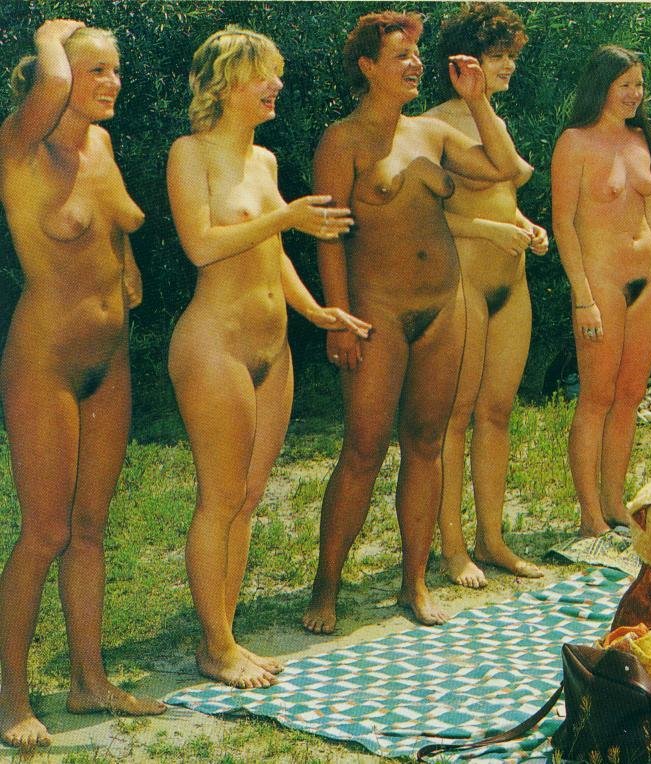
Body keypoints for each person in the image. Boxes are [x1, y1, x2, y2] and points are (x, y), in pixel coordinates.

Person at [302, 11, 520, 632]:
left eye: (417, 56)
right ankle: (326, 586)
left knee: (426, 444)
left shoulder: (432, 132)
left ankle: (414, 582)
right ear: (368, 67)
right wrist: (338, 319)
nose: (415, 65)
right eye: (401, 56)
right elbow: (328, 236)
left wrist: (477, 102)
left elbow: (503, 167)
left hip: (444, 305)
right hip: (378, 311)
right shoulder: (342, 140)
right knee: (364, 448)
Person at [167, 26, 371, 689]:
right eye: (263, 74)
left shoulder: (266, 160)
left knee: (249, 497)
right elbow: (202, 244)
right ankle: (216, 646)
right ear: (226, 83)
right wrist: (285, 218)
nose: (275, 84)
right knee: (221, 497)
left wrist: (315, 311)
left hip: (272, 348)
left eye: (276, 72)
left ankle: (224, 637)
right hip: (214, 345)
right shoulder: (189, 153)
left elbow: (272, 252)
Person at [0, 19, 165, 747]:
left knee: (91, 527)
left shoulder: (99, 145)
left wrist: (126, 260)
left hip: (111, 360)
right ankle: (9, 699)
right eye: (96, 70)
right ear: (57, 77)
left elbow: (115, 219)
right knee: (46, 532)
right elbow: (54, 79)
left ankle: (89, 681)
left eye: (116, 69)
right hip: (47, 363)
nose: (112, 82)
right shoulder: (19, 147)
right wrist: (50, 32)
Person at [424, 3, 546, 589]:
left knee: (497, 413)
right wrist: (490, 230)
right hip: (465, 283)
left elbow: (509, 187)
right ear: (463, 63)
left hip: (512, 283)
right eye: (498, 57)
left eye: (510, 57)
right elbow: (425, 221)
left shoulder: (492, 119)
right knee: (456, 416)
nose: (509, 67)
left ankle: (492, 539)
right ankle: (452, 547)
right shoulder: (432, 125)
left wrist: (524, 225)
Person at [551, 45, 651, 537]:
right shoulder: (575, 142)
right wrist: (582, 296)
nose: (634, 94)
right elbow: (563, 224)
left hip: (648, 282)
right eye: (625, 84)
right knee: (597, 397)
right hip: (601, 284)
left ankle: (614, 503)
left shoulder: (641, 139)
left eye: (639, 84)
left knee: (630, 396)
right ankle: (589, 515)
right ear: (601, 86)